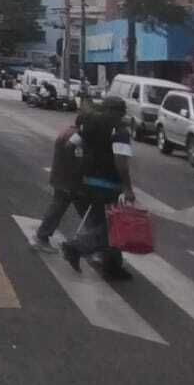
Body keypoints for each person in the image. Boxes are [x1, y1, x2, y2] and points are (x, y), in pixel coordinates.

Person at [61, 93, 136, 281]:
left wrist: (80, 166)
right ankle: (77, 247)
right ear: (118, 112)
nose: (123, 115)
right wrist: (127, 187)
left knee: (99, 223)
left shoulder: (91, 125)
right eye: (122, 112)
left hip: (86, 182)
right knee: (112, 228)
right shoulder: (120, 130)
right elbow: (121, 161)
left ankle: (112, 266)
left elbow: (70, 146)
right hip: (108, 185)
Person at [29, 124, 84, 250]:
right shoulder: (76, 137)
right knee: (61, 209)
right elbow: (77, 158)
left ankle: (43, 235)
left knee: (58, 208)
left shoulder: (67, 131)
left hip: (61, 178)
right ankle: (43, 237)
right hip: (68, 181)